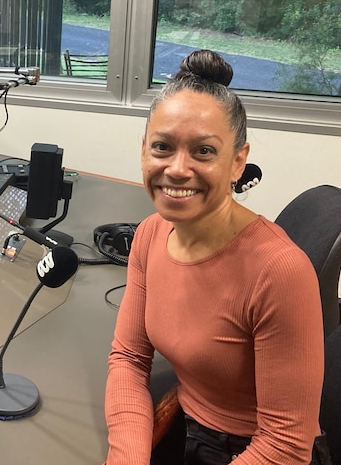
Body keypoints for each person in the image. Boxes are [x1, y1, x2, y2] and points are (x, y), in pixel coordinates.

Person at [105, 50, 324, 464]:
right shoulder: (151, 234)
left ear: (238, 161)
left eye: (204, 151)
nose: (177, 169)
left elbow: (286, 445)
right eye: (162, 147)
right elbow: (130, 358)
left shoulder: (280, 271)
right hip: (185, 419)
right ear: (143, 151)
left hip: (254, 450)